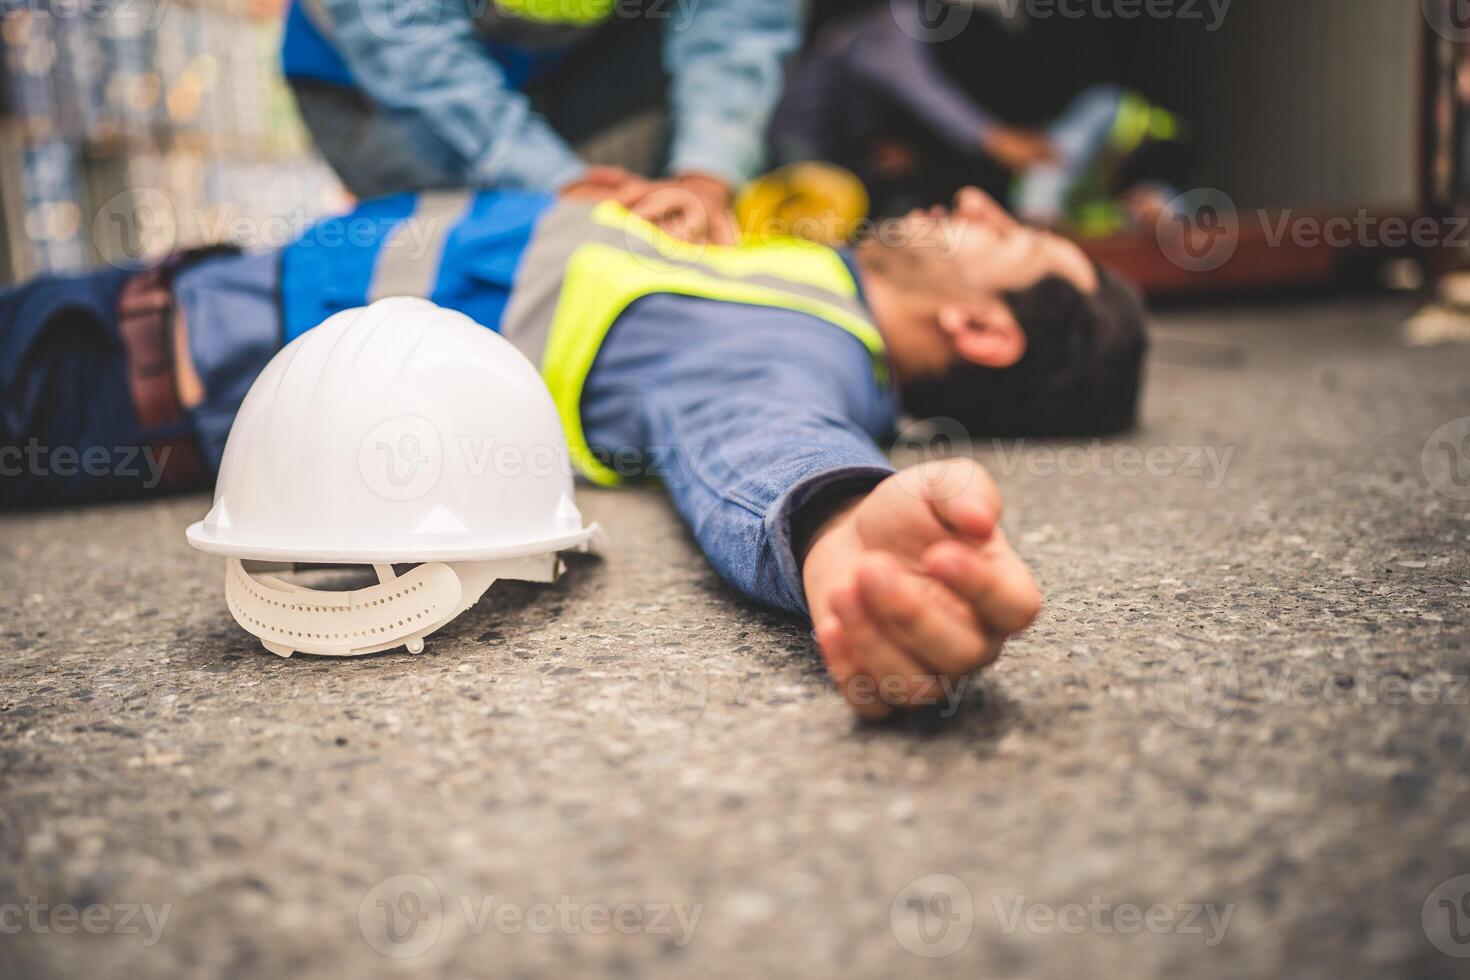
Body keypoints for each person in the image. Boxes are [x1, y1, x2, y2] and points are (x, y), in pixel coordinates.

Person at [0, 184, 1147, 719]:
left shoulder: (802, 349)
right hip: (149, 294)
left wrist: (841, 520)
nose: (970, 199)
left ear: (986, 329)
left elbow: (760, 437)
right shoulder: (784, 265)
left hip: (99, 384)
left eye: (1002, 235)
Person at [280, 0, 798, 231]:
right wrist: (553, 180)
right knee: (474, 263)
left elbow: (736, 22)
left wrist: (707, 174)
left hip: (556, 65)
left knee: (614, 232)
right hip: (370, 85)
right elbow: (410, 47)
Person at [770, 0, 1180, 228]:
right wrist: (996, 139)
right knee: (805, 225)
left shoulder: (933, 29)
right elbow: (918, 89)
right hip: (805, 141)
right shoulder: (891, 21)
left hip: (853, 149)